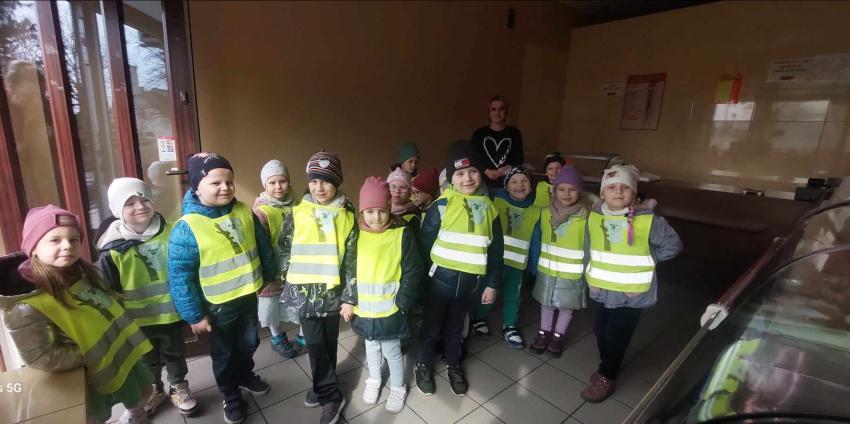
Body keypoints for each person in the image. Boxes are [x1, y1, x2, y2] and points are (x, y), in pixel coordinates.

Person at [0, 205, 154, 424]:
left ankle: (135, 417)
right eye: (55, 240)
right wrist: (93, 354)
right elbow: (42, 357)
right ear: (33, 248)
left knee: (139, 395)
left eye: (73, 239)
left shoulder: (80, 273)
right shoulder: (25, 308)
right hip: (84, 374)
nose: (67, 246)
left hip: (118, 358)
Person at [168, 152, 279, 424]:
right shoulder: (187, 227)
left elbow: (262, 244)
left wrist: (268, 274)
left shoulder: (244, 211)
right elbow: (180, 277)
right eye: (215, 183)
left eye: (229, 182)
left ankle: (244, 375)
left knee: (249, 341)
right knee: (225, 352)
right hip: (217, 306)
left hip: (247, 295)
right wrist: (194, 315)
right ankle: (230, 393)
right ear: (197, 187)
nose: (225, 188)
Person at [580, 164, 682, 403]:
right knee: (601, 331)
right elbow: (589, 248)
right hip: (603, 289)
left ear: (634, 194)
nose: (618, 191)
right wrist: (589, 278)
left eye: (625, 187)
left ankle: (608, 375)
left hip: (631, 293)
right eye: (612, 187)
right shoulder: (595, 217)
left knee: (616, 337)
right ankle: (607, 364)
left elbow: (673, 245)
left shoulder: (648, 221)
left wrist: (647, 258)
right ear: (602, 194)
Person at [95, 178, 197, 416]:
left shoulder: (172, 233)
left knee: (175, 354)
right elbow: (109, 291)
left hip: (171, 314)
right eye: (129, 203)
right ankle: (154, 389)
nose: (140, 206)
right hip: (137, 321)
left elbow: (188, 269)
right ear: (117, 210)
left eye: (144, 199)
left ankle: (178, 386)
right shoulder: (112, 249)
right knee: (146, 359)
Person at [415, 140, 503, 396]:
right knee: (431, 328)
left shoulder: (490, 209)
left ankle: (453, 363)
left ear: (481, 173)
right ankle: (423, 364)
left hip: (468, 286)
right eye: (460, 173)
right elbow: (424, 245)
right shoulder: (441, 206)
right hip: (437, 284)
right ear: (451, 178)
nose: (467, 178)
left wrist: (492, 283)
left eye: (473, 171)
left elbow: (496, 251)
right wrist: (422, 281)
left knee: (456, 329)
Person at [280, 151, 356, 424]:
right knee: (314, 344)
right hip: (305, 294)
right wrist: (288, 278)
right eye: (314, 181)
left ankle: (324, 384)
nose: (319, 187)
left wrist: (349, 297)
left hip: (332, 294)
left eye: (326, 181)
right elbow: (284, 247)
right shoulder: (297, 212)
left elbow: (352, 259)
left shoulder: (347, 215)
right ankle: (330, 395)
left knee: (328, 342)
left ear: (337, 182)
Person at [343, 177, 423, 413]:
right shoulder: (355, 236)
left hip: (391, 309)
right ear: (362, 212)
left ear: (389, 209)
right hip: (365, 309)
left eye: (382, 211)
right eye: (370, 211)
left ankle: (398, 387)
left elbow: (413, 270)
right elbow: (348, 269)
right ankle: (375, 379)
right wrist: (348, 300)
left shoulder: (401, 234)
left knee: (392, 350)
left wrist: (403, 303)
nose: (376, 217)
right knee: (371, 346)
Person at [470, 167, 540, 349]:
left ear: (531, 186)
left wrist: (534, 267)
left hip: (517, 264)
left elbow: (535, 241)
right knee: (487, 291)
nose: (519, 185)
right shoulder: (496, 202)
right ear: (506, 186)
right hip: (494, 262)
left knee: (513, 296)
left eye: (524, 181)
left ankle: (510, 325)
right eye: (513, 181)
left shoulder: (536, 211)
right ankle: (479, 317)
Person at [527, 166, 593, 357]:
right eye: (561, 189)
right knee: (546, 303)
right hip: (547, 269)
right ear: (554, 191)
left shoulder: (586, 216)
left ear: (580, 192)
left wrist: (589, 273)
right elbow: (537, 240)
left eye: (572, 189)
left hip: (572, 272)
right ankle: (544, 332)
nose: (566, 194)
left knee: (567, 306)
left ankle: (558, 336)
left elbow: (590, 246)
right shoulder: (545, 213)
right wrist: (534, 263)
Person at [252, 160, 300, 359]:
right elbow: (259, 243)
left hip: (294, 264)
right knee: (271, 303)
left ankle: (303, 334)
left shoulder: (296, 205)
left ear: (289, 182)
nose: (278, 187)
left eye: (283, 181)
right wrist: (267, 269)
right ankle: (277, 336)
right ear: (265, 185)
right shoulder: (261, 211)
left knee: (297, 298)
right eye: (272, 183)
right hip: (272, 267)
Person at [470, 95, 524, 188]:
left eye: (501, 109)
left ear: (506, 111)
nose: (497, 113)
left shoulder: (514, 133)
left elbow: (519, 158)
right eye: (493, 109)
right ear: (489, 112)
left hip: (508, 183)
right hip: (482, 183)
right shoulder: (479, 133)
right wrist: (486, 171)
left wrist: (508, 167)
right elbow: (472, 157)